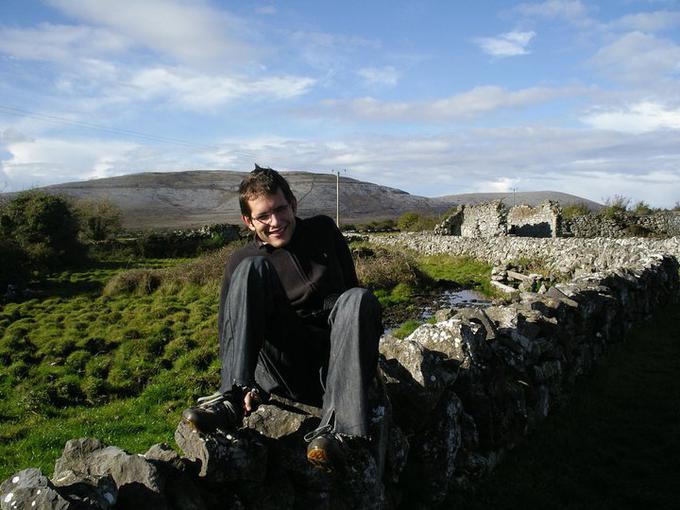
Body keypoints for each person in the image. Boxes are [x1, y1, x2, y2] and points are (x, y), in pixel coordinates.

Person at [182, 165, 383, 471]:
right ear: (248, 222)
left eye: (280, 209)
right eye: (263, 216)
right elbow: (232, 328)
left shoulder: (323, 231)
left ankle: (338, 430)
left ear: (293, 205)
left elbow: (351, 297)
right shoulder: (241, 261)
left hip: (335, 364)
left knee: (359, 298)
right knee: (251, 269)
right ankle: (232, 397)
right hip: (283, 367)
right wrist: (250, 383)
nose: (275, 222)